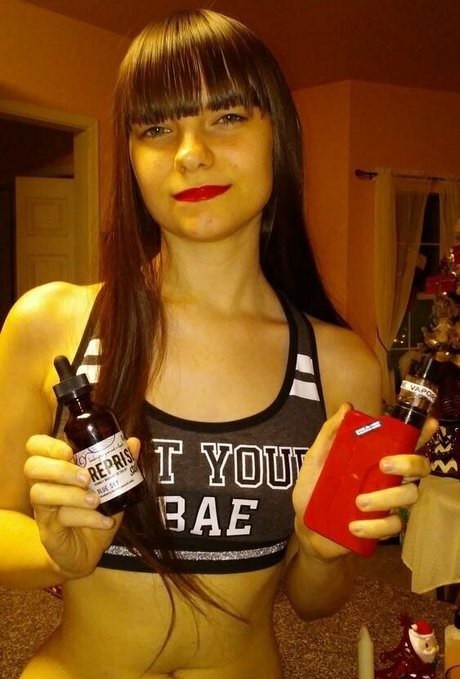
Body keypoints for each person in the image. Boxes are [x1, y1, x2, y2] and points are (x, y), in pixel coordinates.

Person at [0, 9, 434, 679]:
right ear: (131, 158)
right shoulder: (50, 324)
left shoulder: (339, 363)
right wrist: (57, 552)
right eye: (156, 128)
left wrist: (320, 549)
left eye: (228, 117)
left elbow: (316, 602)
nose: (190, 153)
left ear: (278, 136)